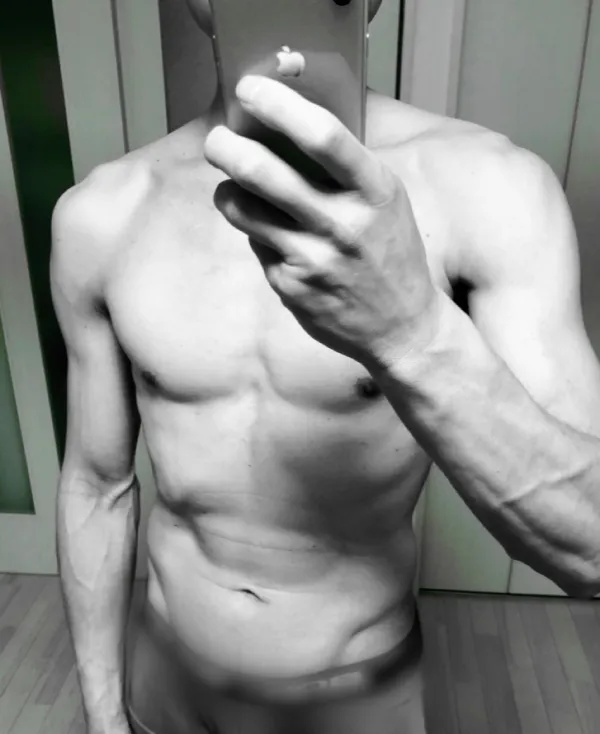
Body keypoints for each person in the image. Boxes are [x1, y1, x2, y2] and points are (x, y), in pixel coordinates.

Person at [51, 0, 600, 732]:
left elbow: (591, 545)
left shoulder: (489, 190)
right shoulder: (103, 212)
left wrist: (412, 334)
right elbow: (96, 487)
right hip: (166, 675)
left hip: (353, 694)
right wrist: (101, 716)